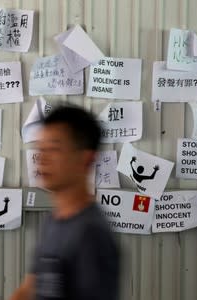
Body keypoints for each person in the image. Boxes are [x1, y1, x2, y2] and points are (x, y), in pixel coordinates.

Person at [10, 105, 120, 300]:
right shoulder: (53, 221)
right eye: (40, 149)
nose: (41, 158)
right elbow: (29, 288)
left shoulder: (91, 234)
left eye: (54, 149)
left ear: (85, 160)